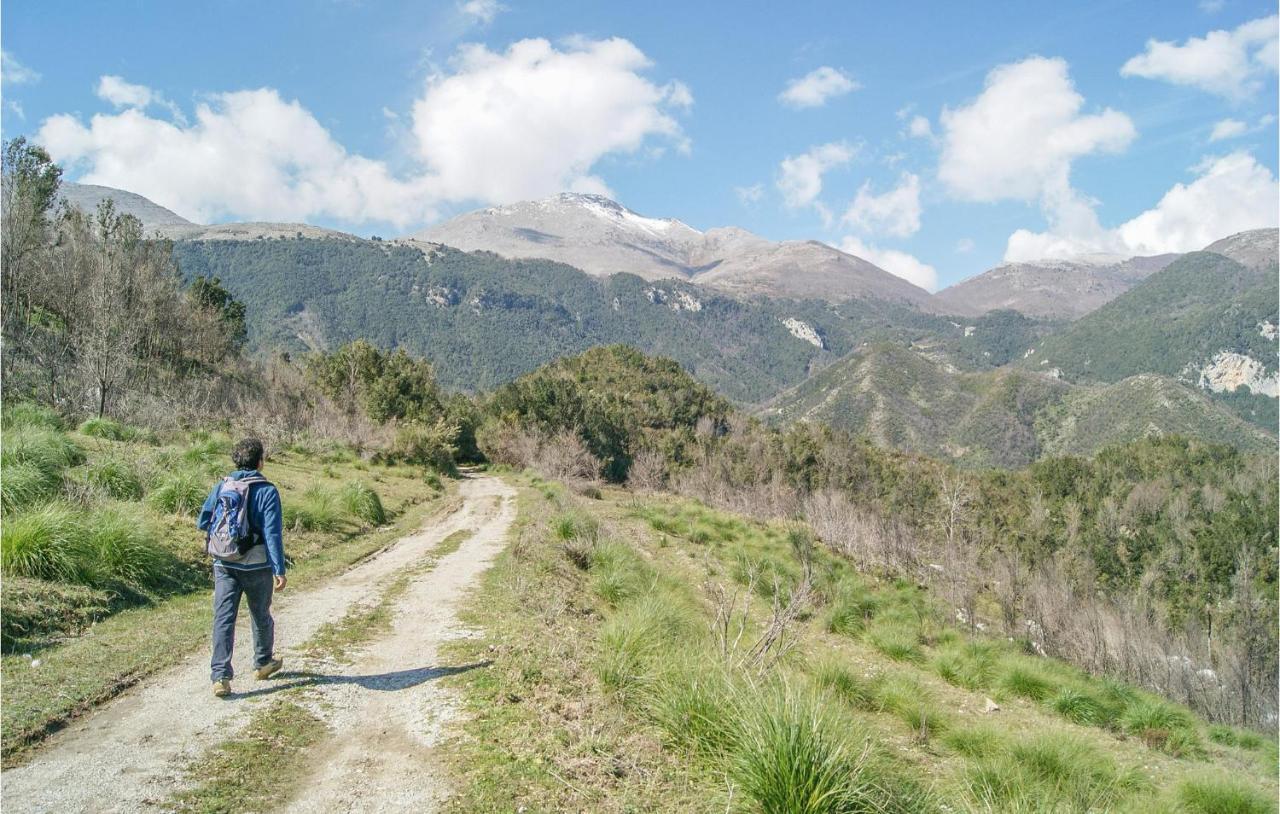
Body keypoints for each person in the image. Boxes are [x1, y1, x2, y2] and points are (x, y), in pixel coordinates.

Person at [197, 437, 287, 697]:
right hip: (257, 565)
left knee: (224, 618)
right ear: (260, 461)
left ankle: (220, 677)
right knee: (260, 614)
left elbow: (203, 520)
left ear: (236, 460)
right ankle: (263, 663)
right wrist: (279, 569)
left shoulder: (222, 485)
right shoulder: (268, 491)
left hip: (223, 563)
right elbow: (272, 533)